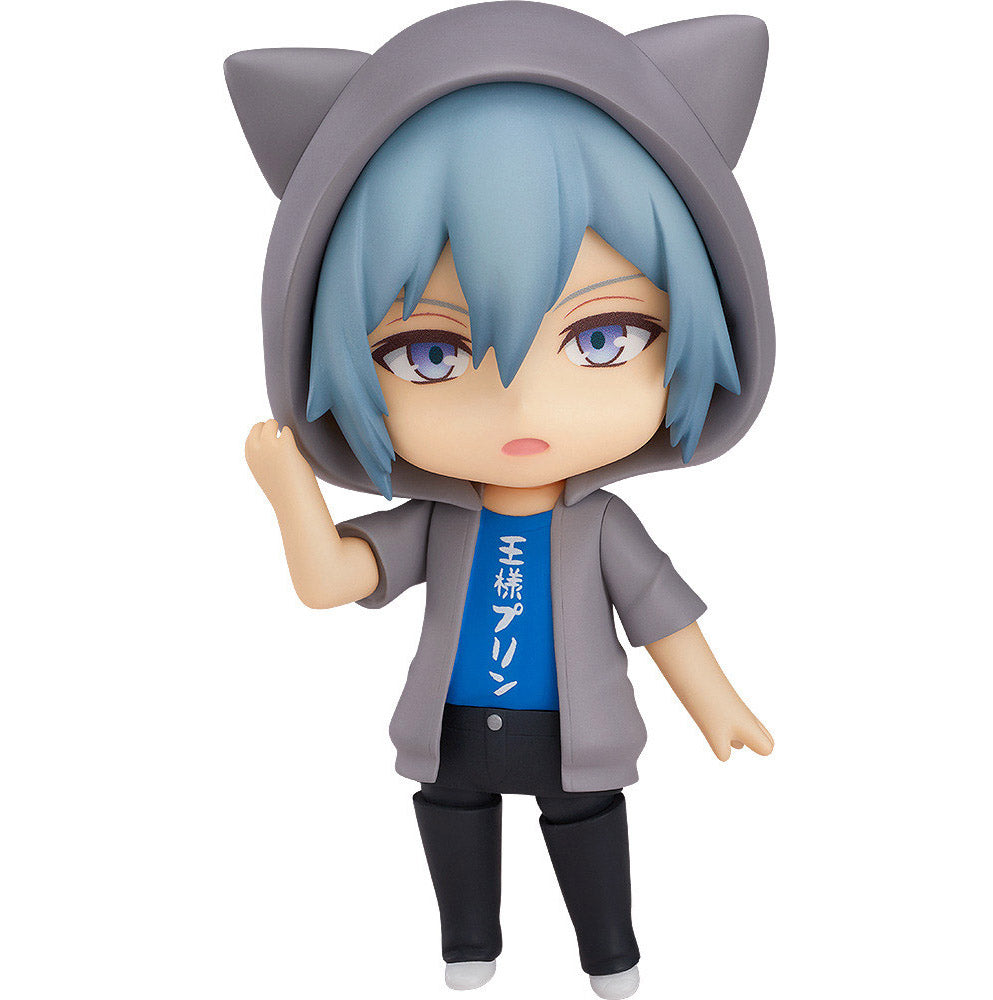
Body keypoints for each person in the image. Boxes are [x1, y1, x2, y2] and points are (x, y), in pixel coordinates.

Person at [226, 6, 776, 998]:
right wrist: (290, 494)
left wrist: (718, 704)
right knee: (454, 823)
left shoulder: (599, 527)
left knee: (585, 828)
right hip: (453, 732)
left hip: (575, 735)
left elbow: (664, 621)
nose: (521, 405)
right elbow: (329, 581)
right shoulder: (437, 524)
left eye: (603, 338)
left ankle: (609, 952)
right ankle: (467, 943)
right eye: (429, 354)